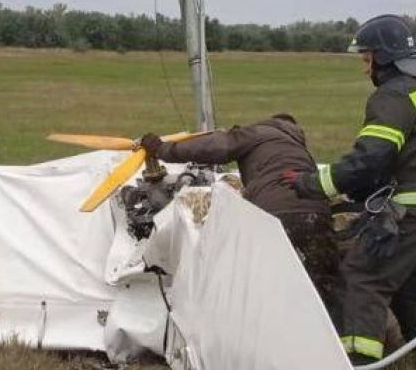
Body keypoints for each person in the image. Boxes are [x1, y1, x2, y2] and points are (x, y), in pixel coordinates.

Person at [290, 14, 416, 370]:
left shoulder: (392, 97)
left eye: (365, 58)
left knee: (362, 279)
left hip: (412, 210)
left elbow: (370, 159)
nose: (363, 68)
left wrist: (313, 185)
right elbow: (398, 161)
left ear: (382, 58)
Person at [138, 115, 339, 317]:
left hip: (275, 214)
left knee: (267, 284)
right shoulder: (297, 149)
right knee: (320, 284)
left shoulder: (260, 132)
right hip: (318, 213)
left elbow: (217, 147)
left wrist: (162, 149)